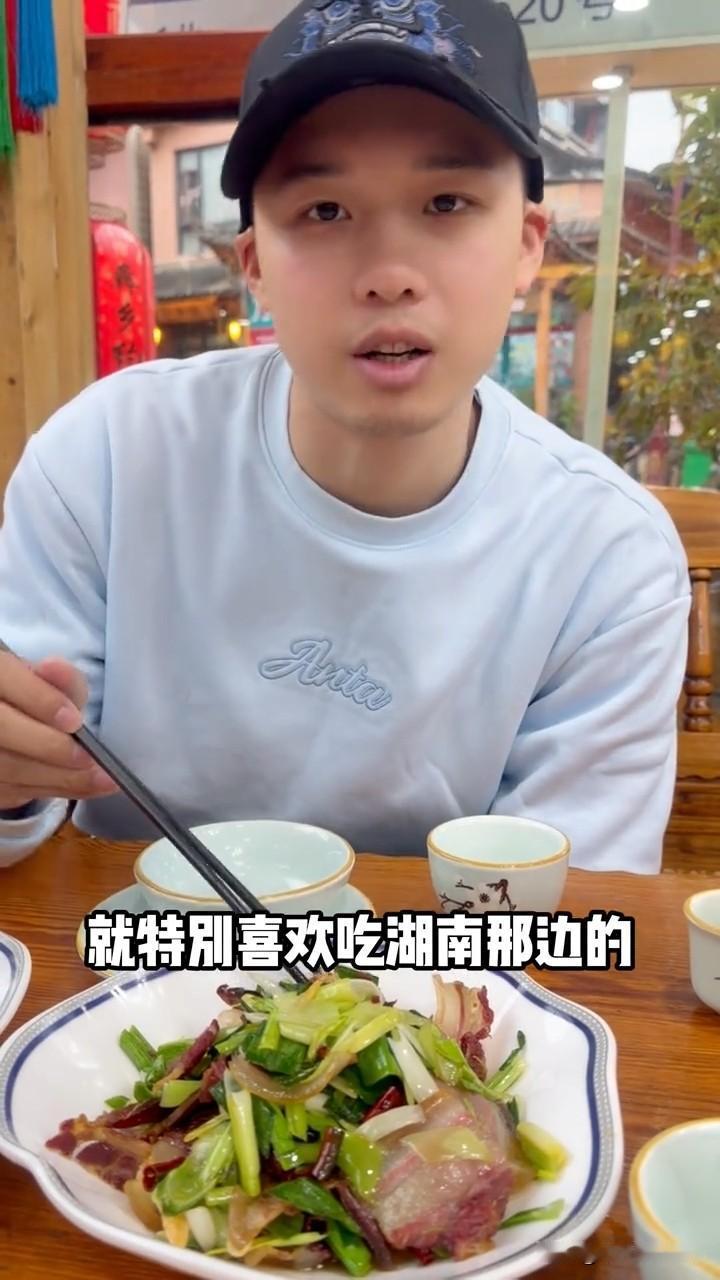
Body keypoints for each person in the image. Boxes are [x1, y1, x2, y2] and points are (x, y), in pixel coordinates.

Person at [0, 0, 690, 874]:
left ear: (526, 245)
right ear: (255, 264)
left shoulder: (607, 556)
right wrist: (13, 788)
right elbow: (22, 814)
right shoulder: (107, 457)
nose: (388, 276)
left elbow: (567, 907)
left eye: (446, 202)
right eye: (324, 211)